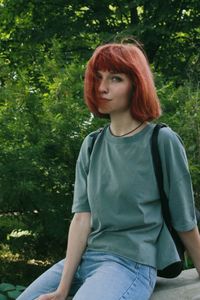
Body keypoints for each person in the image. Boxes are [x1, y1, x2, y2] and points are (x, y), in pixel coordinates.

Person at [17, 40, 200, 300]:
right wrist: (62, 289)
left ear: (136, 84)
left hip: (130, 264)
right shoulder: (92, 145)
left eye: (115, 78)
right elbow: (82, 218)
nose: (102, 88)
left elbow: (184, 220)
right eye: (98, 78)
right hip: (87, 259)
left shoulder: (161, 140)